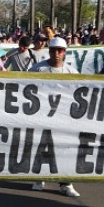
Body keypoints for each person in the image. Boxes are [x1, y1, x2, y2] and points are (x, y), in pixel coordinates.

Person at [29, 37, 80, 198]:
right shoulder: (37, 69)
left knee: (65, 148)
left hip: (64, 117)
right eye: (53, 50)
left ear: (64, 52)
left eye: (60, 50)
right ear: (49, 51)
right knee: (41, 146)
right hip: (42, 115)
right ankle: (39, 177)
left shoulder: (72, 72)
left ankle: (66, 183)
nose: (56, 53)